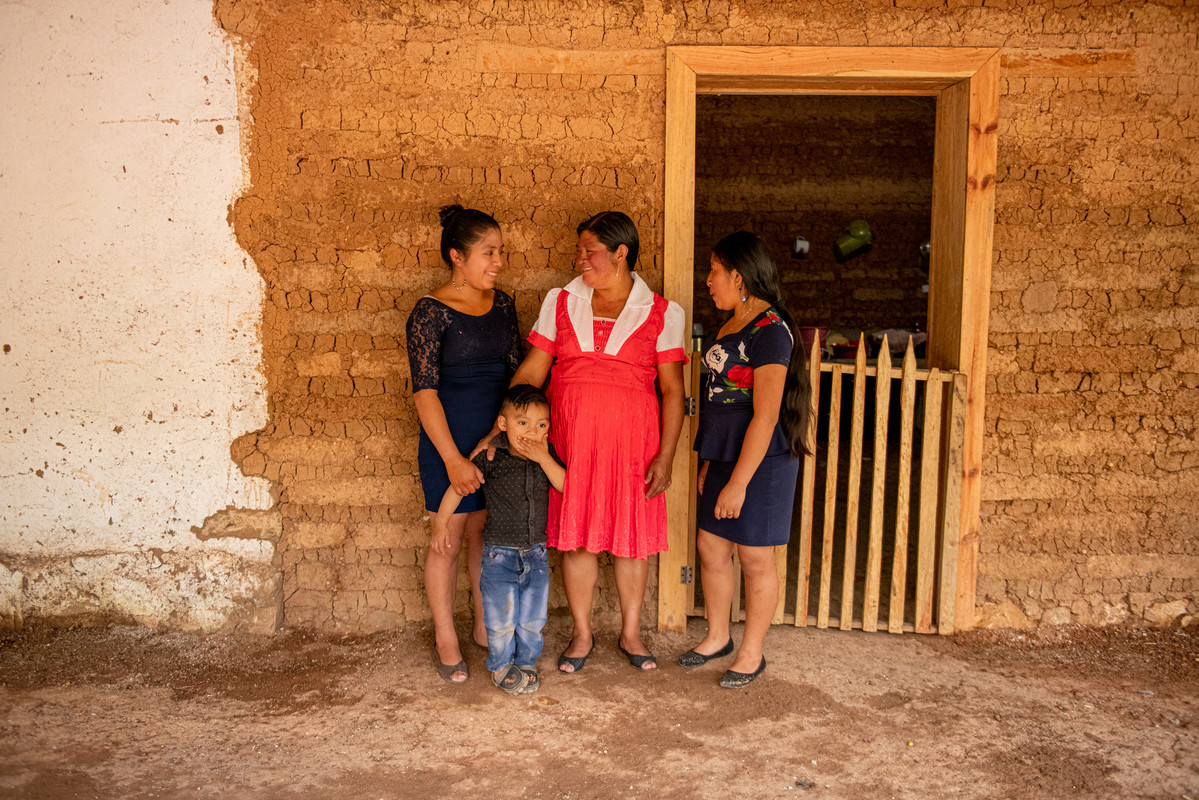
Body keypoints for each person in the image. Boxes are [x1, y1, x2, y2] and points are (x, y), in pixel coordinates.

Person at [498, 211, 686, 673]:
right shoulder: (561, 301)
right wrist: (504, 422)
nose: (580, 259)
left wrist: (666, 455)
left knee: (630, 542)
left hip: (633, 445)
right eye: (579, 250)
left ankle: (631, 633)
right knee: (578, 539)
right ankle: (582, 634)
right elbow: (534, 371)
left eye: (590, 250)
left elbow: (673, 391)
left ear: (621, 254)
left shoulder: (662, 312)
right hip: (573, 442)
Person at [676, 231, 812, 689]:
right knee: (711, 546)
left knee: (755, 557)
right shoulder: (732, 323)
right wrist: (712, 462)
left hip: (762, 460)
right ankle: (718, 636)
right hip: (725, 454)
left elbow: (766, 414)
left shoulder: (770, 330)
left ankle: (752, 652)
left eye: (714, 272)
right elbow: (719, 402)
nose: (709, 281)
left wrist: (738, 482)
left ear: (739, 275)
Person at [406, 204, 522, 683]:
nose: (497, 262)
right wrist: (453, 458)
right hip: (447, 443)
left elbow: (516, 375)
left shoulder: (505, 305)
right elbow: (425, 391)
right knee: (448, 538)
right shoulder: (429, 313)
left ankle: (482, 622)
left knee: (485, 535)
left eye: (500, 252)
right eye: (488, 253)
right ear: (457, 256)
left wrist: (502, 434)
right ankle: (444, 635)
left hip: (494, 440)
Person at [433, 384, 565, 695]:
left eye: (541, 424)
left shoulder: (548, 457)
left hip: (536, 554)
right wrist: (440, 524)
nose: (532, 431)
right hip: (499, 556)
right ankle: (501, 665)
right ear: (503, 424)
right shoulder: (492, 457)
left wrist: (545, 457)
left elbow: (565, 485)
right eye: (523, 423)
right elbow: (457, 488)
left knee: (534, 617)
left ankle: (527, 661)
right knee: (501, 618)